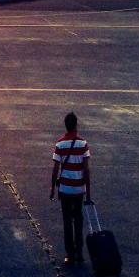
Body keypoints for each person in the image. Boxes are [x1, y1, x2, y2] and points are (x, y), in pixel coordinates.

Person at [49, 112, 91, 267]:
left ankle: (69, 254)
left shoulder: (60, 144)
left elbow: (55, 169)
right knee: (78, 219)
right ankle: (79, 252)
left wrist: (52, 189)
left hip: (65, 188)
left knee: (67, 220)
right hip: (79, 188)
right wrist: (88, 193)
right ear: (76, 125)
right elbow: (86, 170)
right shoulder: (83, 143)